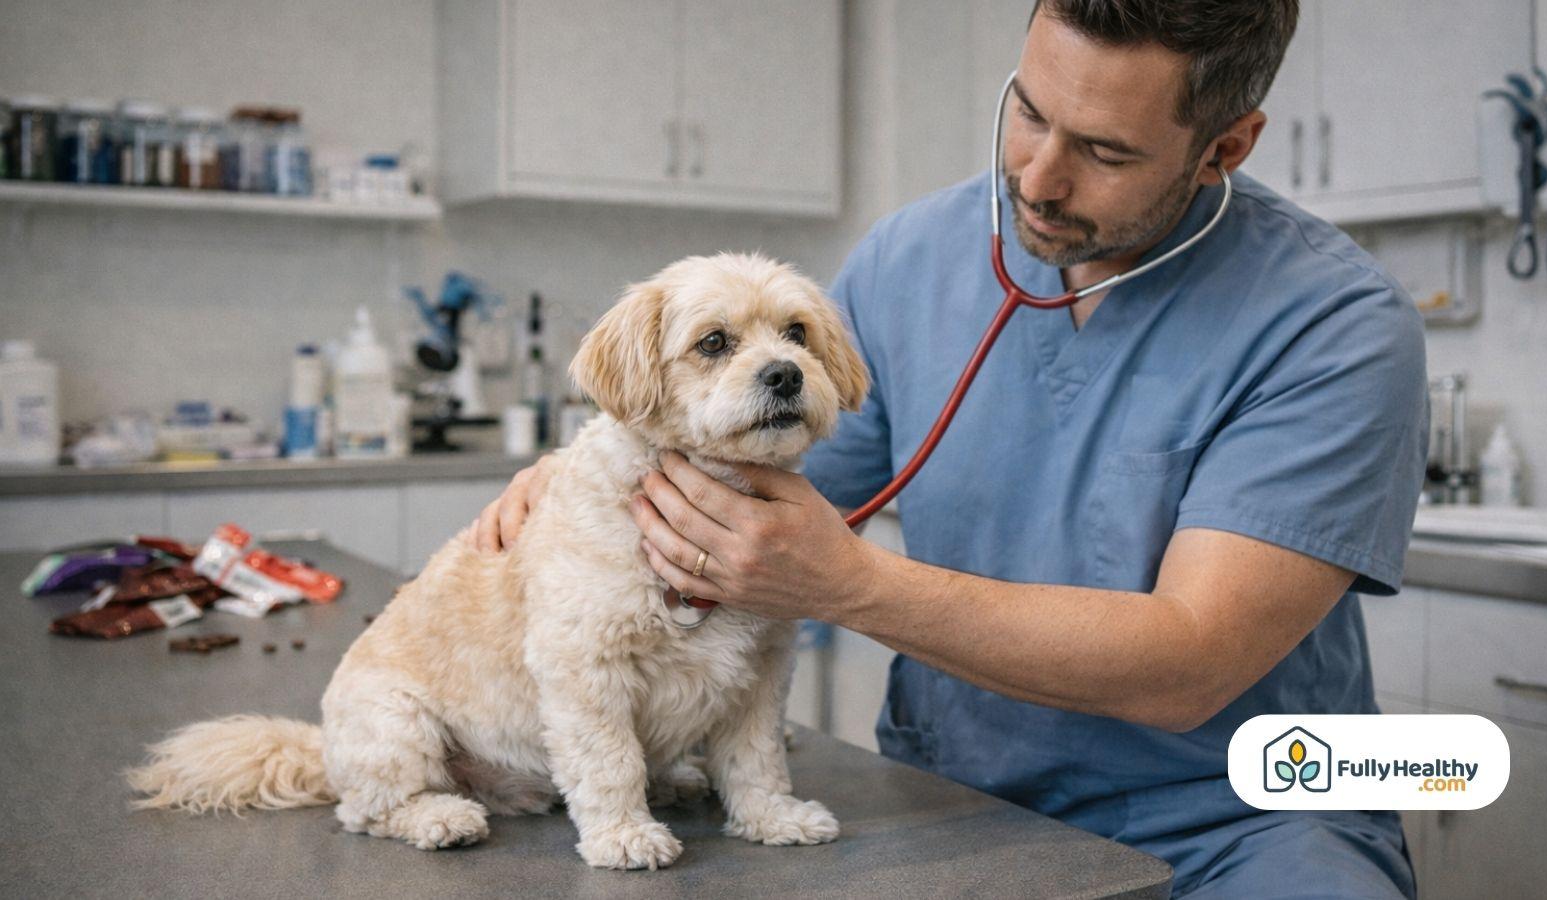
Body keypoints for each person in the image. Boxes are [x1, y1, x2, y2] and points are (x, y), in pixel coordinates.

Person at [472, 1, 1428, 896]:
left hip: (1246, 827)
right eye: (1030, 112)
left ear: (1225, 147)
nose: (1038, 180)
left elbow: (1190, 665)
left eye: (1104, 151)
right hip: (953, 797)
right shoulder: (911, 257)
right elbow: (745, 503)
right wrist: (599, 479)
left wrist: (852, 586)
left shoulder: (1334, 324)